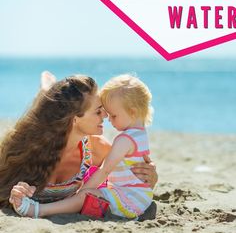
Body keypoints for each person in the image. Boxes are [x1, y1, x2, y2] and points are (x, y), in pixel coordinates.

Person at [0, 72, 157, 219]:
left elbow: (128, 166)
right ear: (75, 120)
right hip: (43, 128)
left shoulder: (97, 148)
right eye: (98, 112)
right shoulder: (29, 146)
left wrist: (151, 176)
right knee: (43, 102)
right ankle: (46, 88)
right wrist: (18, 191)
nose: (106, 116)